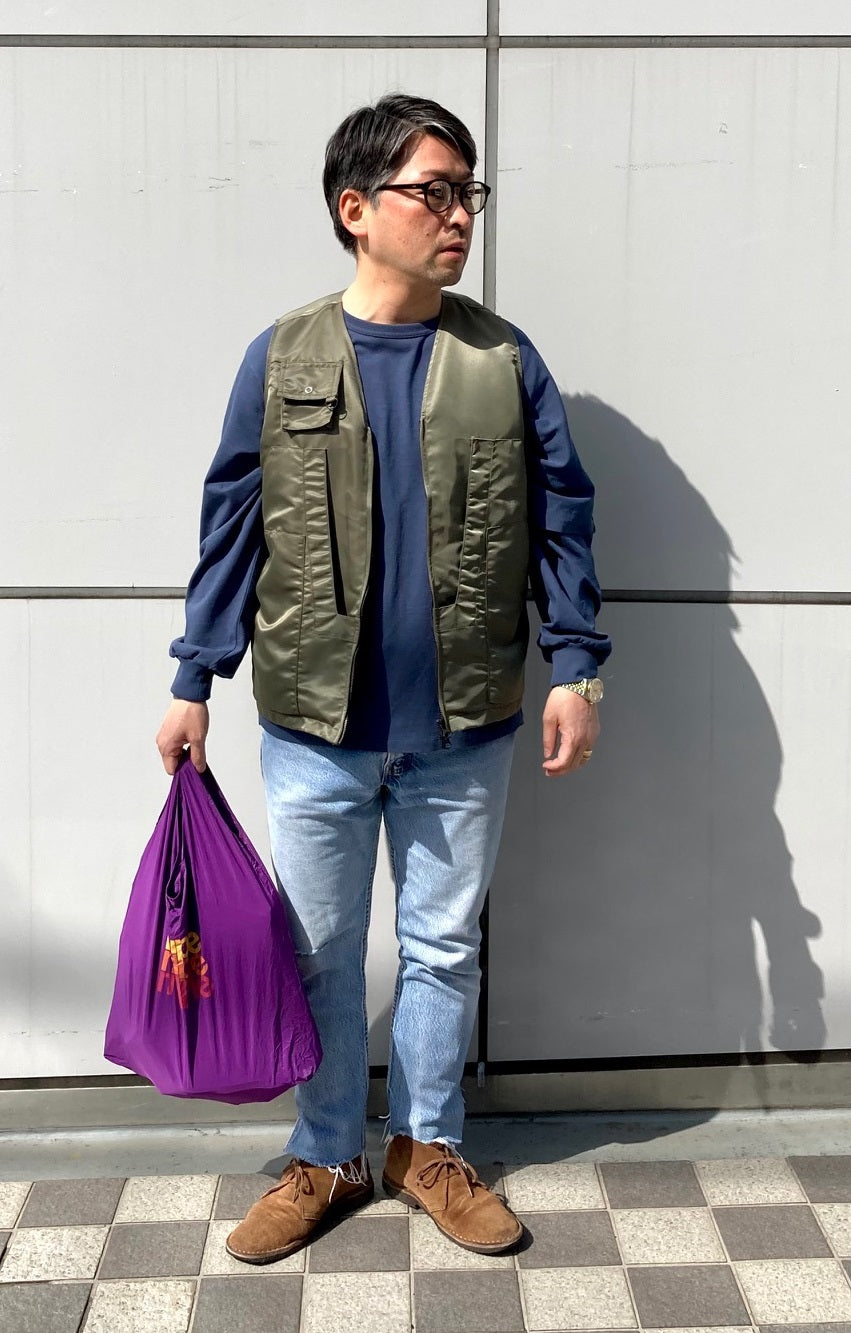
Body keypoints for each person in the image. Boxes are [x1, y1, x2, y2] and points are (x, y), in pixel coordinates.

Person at [156, 93, 610, 1262]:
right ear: (356, 209)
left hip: (465, 726)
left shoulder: (501, 359)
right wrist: (194, 675)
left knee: (441, 950)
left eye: (468, 192)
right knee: (314, 954)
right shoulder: (284, 356)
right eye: (432, 191)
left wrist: (575, 666)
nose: (458, 214)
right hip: (315, 727)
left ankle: (426, 1148)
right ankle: (324, 1154)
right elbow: (233, 526)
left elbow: (561, 519)